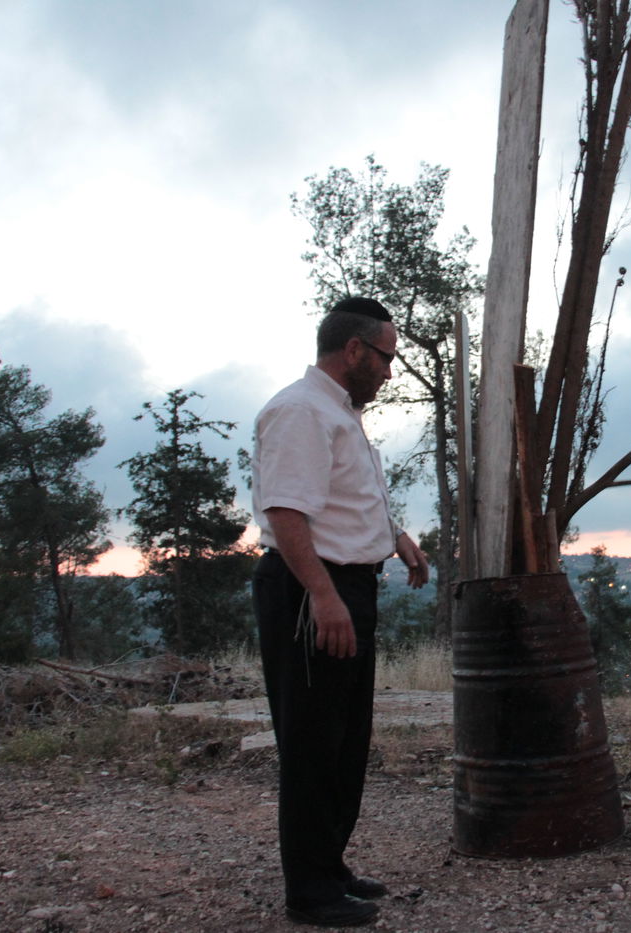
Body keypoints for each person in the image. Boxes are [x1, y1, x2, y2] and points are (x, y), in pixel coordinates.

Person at [251, 296, 430, 927]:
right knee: (312, 740)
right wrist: (323, 596)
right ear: (353, 350)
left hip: (345, 585)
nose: (389, 371)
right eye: (386, 357)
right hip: (310, 590)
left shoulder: (337, 413)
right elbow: (288, 512)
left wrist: (396, 536)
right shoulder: (300, 411)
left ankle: (330, 865)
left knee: (346, 739)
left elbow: (339, 498)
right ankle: (310, 890)